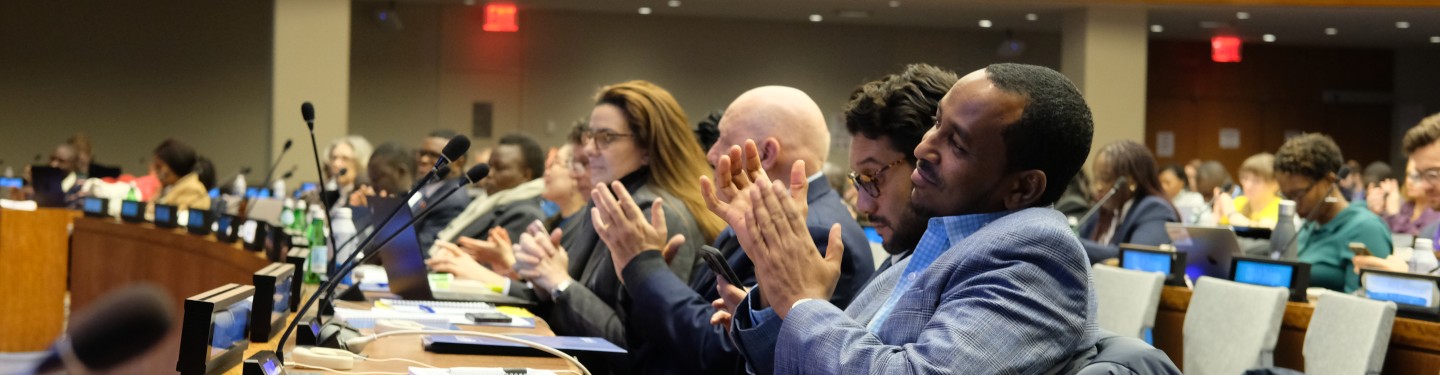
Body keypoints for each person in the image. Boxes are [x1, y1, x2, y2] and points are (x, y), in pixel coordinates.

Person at [719, 63, 1099, 374]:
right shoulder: (936, 241)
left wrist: (802, 301)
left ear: (1024, 188)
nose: (923, 148)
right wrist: (775, 281)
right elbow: (801, 363)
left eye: (957, 144)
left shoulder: (1035, 255)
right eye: (937, 123)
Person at [589, 84, 878, 374]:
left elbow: (725, 352)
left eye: (724, 139)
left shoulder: (813, 231)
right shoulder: (766, 215)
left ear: (765, 153)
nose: (711, 154)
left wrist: (645, 268)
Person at [509, 80, 721, 374]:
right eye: (590, 136)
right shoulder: (606, 200)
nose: (589, 150)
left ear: (648, 148)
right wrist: (544, 277)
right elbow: (572, 308)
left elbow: (632, 346)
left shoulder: (658, 213)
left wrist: (559, 282)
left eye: (606, 138)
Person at [1275, 133, 1391, 292]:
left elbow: (1364, 308)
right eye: (1286, 196)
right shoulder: (1309, 225)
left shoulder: (1366, 229)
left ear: (1329, 181)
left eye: (1299, 194)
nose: (1294, 204)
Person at [428, 134, 548, 271]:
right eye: (489, 166)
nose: (489, 174)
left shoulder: (525, 214)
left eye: (500, 168)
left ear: (526, 175)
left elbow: (495, 267)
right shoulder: (486, 202)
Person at [1356, 113, 1440, 273]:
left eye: (1433, 174)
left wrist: (1408, 275)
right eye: (1420, 175)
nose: (1424, 185)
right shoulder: (1432, 231)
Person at [1077, 140, 1179, 264]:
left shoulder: (1154, 209)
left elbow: (1135, 256)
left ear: (1131, 181)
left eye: (1105, 178)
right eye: (1096, 178)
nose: (1098, 186)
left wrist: (1073, 244)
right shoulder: (1103, 210)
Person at [1372, 161, 1440, 236]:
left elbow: (1419, 238)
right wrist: (1376, 213)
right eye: (1408, 175)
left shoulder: (1436, 211)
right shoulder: (1406, 206)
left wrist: (1394, 214)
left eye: (1416, 176)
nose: (1409, 181)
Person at [1215, 153, 1282, 228]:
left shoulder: (1281, 208)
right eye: (1245, 179)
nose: (1247, 185)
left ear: (1275, 184)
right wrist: (1217, 210)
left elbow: (1262, 230)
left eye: (1256, 181)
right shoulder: (1238, 202)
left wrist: (1231, 213)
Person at [151, 139, 211, 210]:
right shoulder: (165, 189)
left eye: (159, 166)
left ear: (175, 165)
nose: (155, 170)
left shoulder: (194, 191)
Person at [323, 135, 373, 206]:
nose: (336, 164)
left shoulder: (366, 193)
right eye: (334, 158)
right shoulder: (327, 193)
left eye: (345, 158)